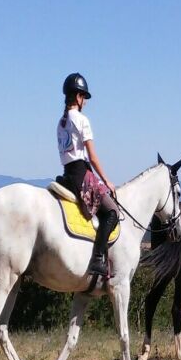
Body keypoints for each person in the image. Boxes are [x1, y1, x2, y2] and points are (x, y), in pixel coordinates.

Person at [56, 73, 119, 277]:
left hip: (67, 174)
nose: (85, 101)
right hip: (82, 175)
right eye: (83, 96)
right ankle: (98, 258)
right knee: (112, 212)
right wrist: (107, 180)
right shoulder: (81, 120)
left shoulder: (61, 122)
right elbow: (92, 157)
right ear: (77, 97)